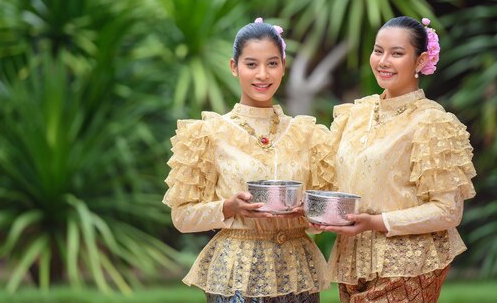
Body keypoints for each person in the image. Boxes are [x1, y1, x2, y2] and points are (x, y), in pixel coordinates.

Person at [162, 18, 334, 303]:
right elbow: (182, 217)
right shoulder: (210, 133)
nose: (262, 74)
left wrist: (308, 211)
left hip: (297, 274)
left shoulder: (308, 134)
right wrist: (229, 207)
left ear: (283, 67)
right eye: (251, 64)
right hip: (236, 275)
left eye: (272, 63)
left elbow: (325, 215)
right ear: (234, 67)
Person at [316, 16, 476, 303]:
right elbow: (337, 184)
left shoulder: (432, 122)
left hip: (409, 263)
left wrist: (376, 221)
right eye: (378, 51)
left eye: (397, 53)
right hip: (353, 260)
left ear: (420, 61)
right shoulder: (354, 116)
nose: (383, 61)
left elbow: (448, 211)